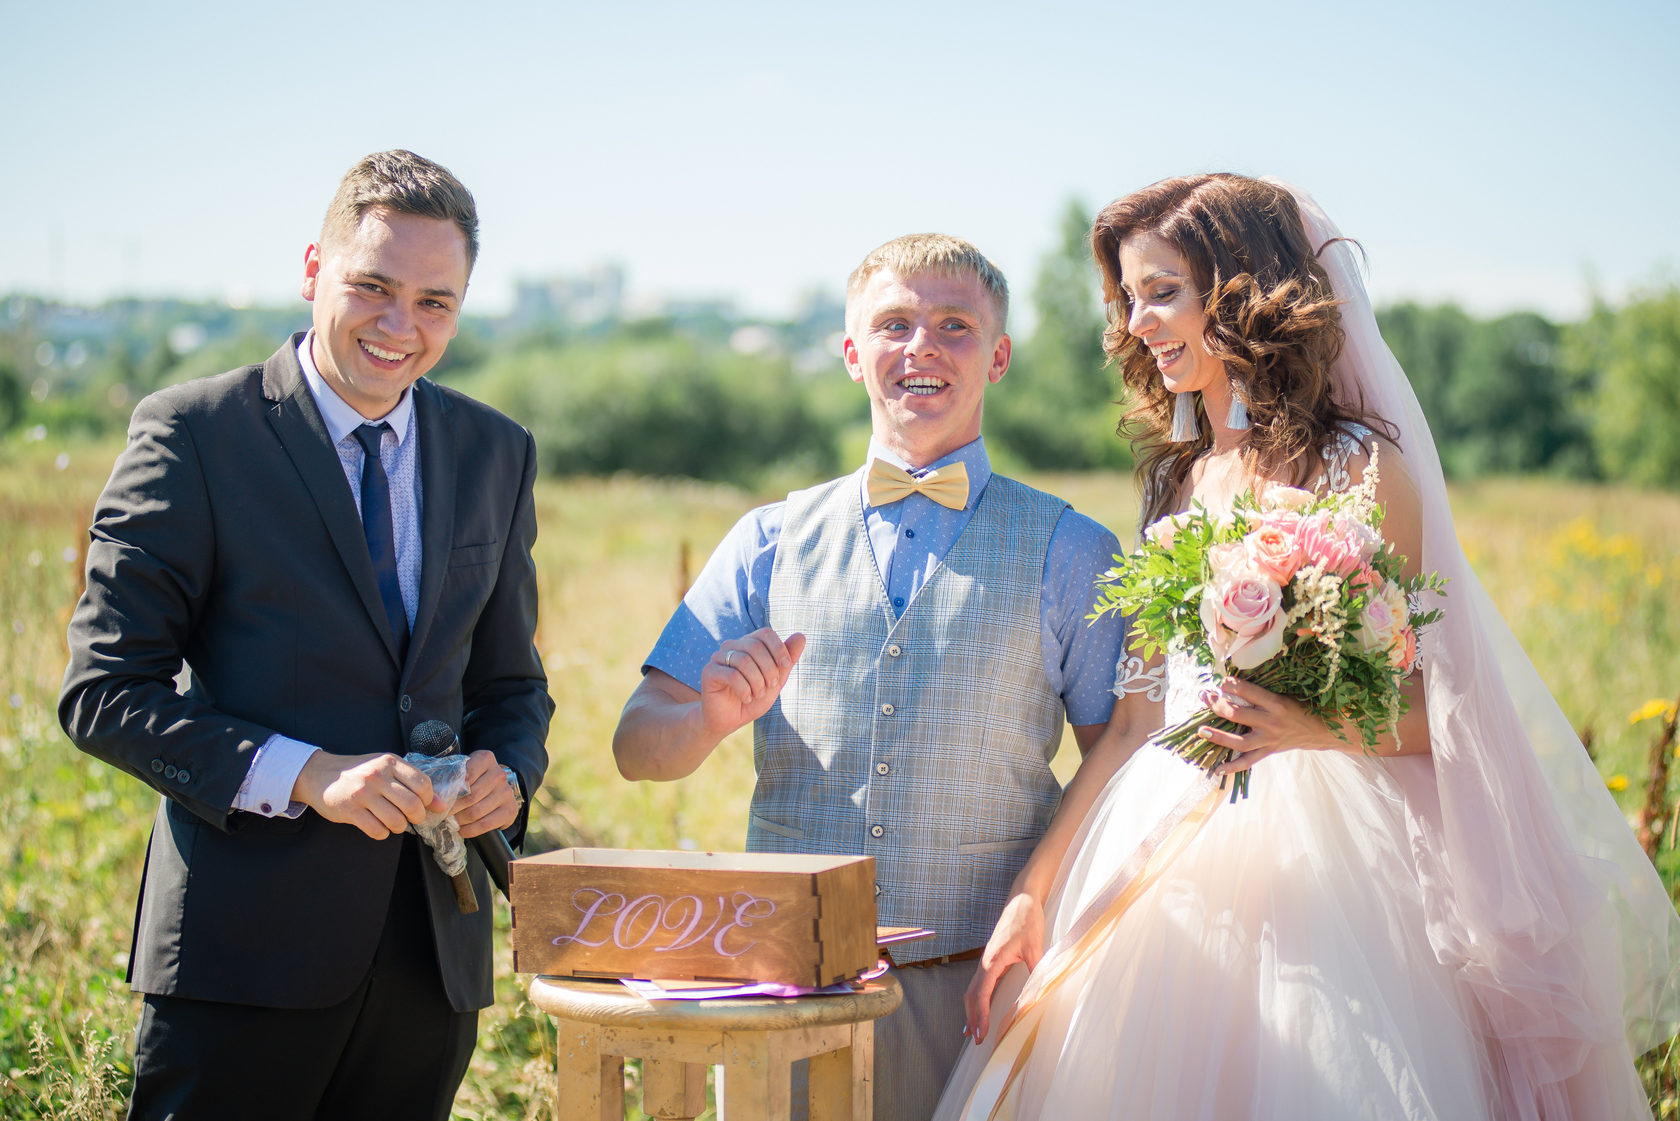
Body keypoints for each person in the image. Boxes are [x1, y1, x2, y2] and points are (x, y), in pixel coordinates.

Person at [934, 174, 1680, 1120]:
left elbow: (1437, 713)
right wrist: (1034, 893)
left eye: (1162, 291)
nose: (1138, 321)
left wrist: (1308, 725)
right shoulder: (1179, 480)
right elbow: (1133, 723)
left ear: (1238, 289)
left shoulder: (1361, 464)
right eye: (1128, 297)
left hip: (1344, 876)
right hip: (1164, 834)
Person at [58, 150, 553, 1121]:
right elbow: (103, 690)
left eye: (434, 302)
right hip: (244, 955)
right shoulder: (193, 434)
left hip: (432, 960)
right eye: (373, 285)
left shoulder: (498, 450)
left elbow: (511, 683)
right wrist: (306, 771)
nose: (400, 325)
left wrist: (510, 771)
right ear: (314, 269)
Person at [612, 233, 1127, 1120]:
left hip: (980, 988)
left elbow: (1120, 761)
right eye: (894, 324)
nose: (921, 346)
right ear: (854, 354)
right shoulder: (765, 542)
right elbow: (635, 746)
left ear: (998, 356)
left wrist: (1042, 907)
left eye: (954, 326)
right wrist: (707, 718)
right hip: (783, 983)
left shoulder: (1074, 550)